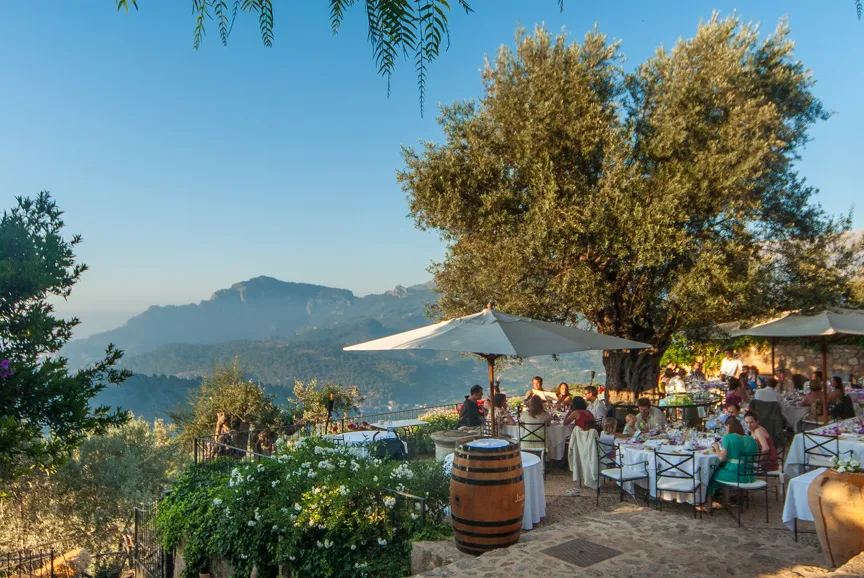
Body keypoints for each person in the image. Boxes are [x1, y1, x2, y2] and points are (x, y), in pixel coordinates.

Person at [707, 417, 760, 508]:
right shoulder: (751, 439)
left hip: (736, 474)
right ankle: (727, 498)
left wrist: (716, 447)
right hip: (750, 475)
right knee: (723, 470)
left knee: (713, 473)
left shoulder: (729, 437)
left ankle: (708, 503)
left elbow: (721, 458)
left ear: (728, 426)